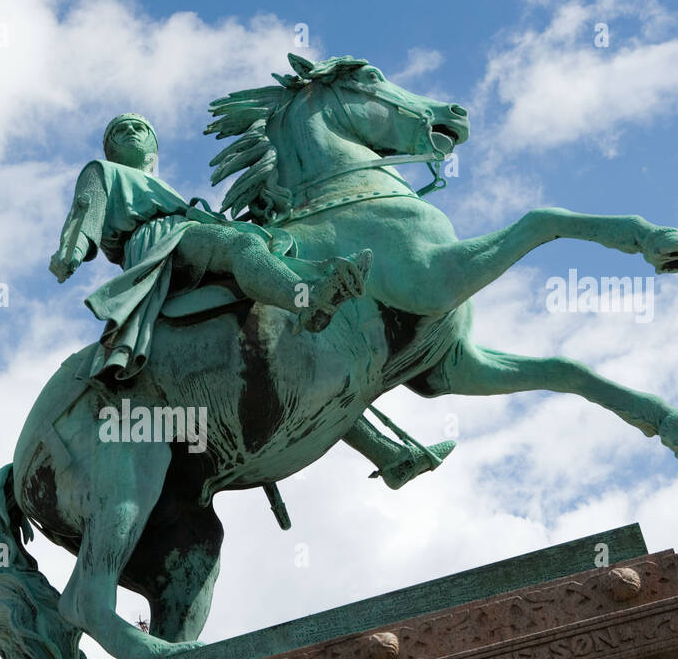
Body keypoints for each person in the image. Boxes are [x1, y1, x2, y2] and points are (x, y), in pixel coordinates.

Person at [51, 113, 452, 490]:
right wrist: (71, 251)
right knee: (242, 244)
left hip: (187, 236)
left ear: (154, 147)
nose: (129, 132)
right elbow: (86, 210)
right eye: (119, 132)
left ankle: (390, 455)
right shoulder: (103, 173)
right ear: (109, 150)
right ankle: (308, 299)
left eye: (138, 127)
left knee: (294, 346)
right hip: (161, 243)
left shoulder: (166, 192)